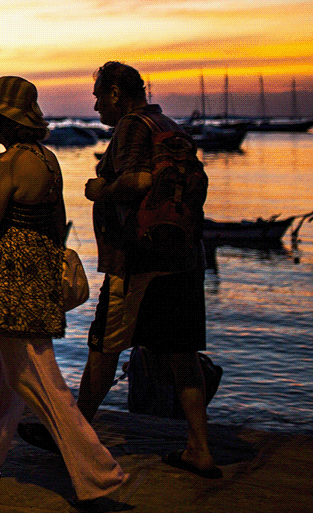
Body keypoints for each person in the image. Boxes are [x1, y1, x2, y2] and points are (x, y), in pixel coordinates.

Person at [0, 76, 127, 503]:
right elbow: (58, 227)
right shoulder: (49, 160)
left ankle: (99, 475)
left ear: (8, 121)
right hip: (35, 275)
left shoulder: (7, 163)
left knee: (38, 378)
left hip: (11, 280)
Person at [76, 61, 220, 478]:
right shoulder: (170, 126)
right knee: (182, 353)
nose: (96, 104)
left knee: (105, 345)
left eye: (99, 95)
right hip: (184, 258)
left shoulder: (132, 127)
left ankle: (73, 432)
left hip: (138, 260)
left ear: (116, 94)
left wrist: (100, 189)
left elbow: (139, 181)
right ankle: (200, 449)